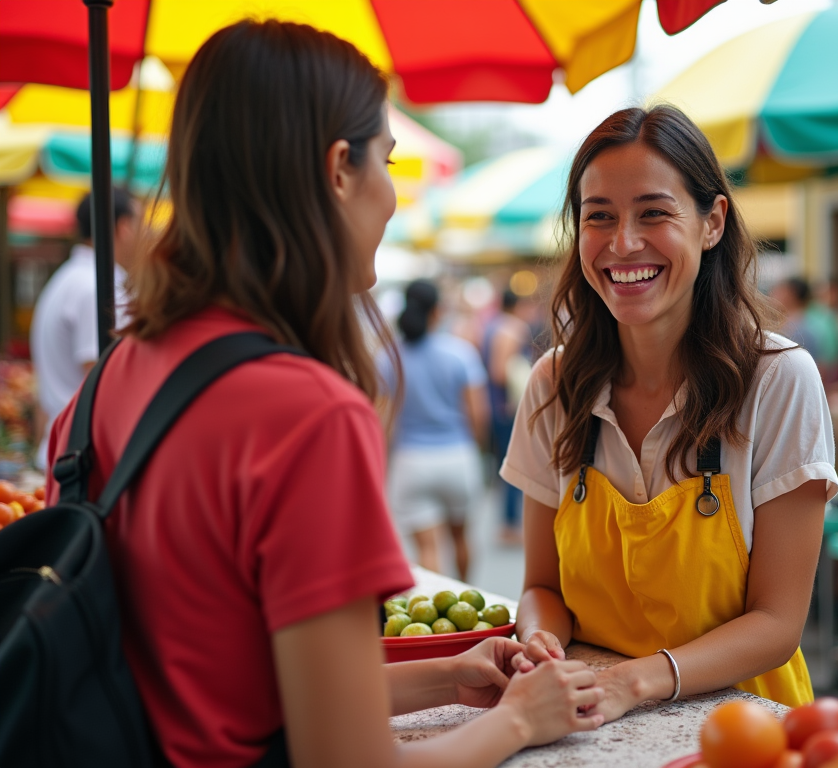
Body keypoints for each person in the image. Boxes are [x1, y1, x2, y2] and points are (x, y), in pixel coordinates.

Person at [44, 21, 603, 768]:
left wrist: (444, 676)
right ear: (339, 168)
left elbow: (211, 672)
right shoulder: (306, 415)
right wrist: (522, 723)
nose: (393, 200)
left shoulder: (105, 381)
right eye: (389, 164)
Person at [501, 105, 838, 720]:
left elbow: (777, 622)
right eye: (598, 217)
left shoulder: (777, 379)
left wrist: (636, 682)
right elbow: (542, 588)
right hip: (591, 722)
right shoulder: (553, 383)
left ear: (712, 222)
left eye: (653, 213)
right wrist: (538, 640)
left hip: (746, 731)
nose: (623, 242)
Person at [379, 279, 489, 581]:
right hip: (457, 456)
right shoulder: (460, 353)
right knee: (461, 538)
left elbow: (383, 418)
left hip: (411, 460)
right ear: (438, 311)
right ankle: (467, 599)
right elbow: (478, 413)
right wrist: (476, 448)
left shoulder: (388, 357)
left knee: (428, 549)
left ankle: (437, 618)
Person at [30, 188, 139, 470]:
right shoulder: (96, 286)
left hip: (64, 450)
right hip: (85, 459)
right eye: (140, 224)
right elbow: (101, 376)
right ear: (124, 228)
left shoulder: (68, 278)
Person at [481, 288, 533, 544]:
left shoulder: (491, 326)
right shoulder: (512, 328)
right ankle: (510, 523)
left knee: (506, 461)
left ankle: (508, 522)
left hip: (496, 405)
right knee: (515, 463)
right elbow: (499, 371)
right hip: (509, 406)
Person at [770, 277, 822, 363]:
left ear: (791, 294)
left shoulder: (807, 327)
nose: (773, 294)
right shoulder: (786, 322)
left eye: (780, 291)